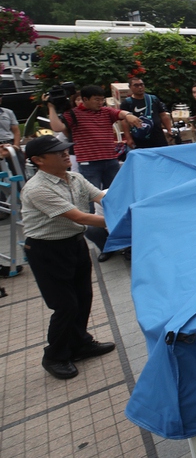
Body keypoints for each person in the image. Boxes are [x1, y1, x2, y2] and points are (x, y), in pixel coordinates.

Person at [21, 136, 116, 379]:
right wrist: (125, 222)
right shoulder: (37, 189)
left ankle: (80, 343)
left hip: (74, 244)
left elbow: (103, 198)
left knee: (83, 297)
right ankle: (55, 356)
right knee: (65, 305)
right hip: (47, 250)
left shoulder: (74, 177)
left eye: (65, 149)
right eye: (57, 152)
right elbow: (80, 217)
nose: (65, 154)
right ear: (38, 161)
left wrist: (131, 206)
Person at [47, 85, 143, 190]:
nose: (100, 102)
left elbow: (120, 113)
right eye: (96, 99)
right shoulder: (73, 113)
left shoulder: (106, 111)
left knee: (115, 191)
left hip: (110, 160)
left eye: (102, 99)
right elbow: (57, 127)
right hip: (88, 162)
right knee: (91, 194)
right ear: (85, 99)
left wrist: (129, 115)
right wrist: (51, 107)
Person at [121, 77, 172, 149]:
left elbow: (163, 115)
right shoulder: (127, 103)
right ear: (130, 87)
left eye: (141, 85)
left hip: (157, 136)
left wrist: (169, 130)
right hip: (140, 138)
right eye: (136, 85)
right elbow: (124, 122)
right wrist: (129, 138)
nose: (140, 87)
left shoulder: (153, 99)